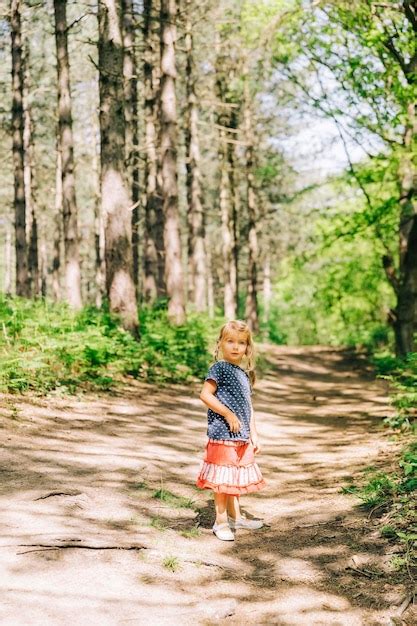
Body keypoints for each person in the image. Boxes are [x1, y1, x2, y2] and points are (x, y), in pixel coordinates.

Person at [196, 320, 266, 541]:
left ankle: (236, 517)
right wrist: (227, 413)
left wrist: (253, 433)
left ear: (247, 347)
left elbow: (249, 406)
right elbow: (205, 395)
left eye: (241, 343)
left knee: (234, 476)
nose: (236, 347)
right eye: (230, 341)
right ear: (220, 344)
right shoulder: (219, 368)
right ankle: (220, 521)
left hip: (242, 436)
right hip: (223, 434)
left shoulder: (244, 374)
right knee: (223, 478)